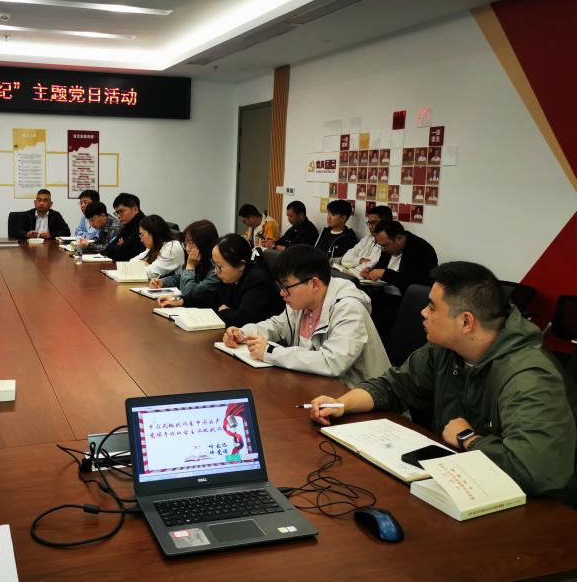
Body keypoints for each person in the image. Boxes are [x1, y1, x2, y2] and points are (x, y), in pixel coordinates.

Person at [308, 262, 576, 507]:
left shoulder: (529, 377)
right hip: (464, 487)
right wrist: (342, 404)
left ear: (466, 322)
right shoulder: (446, 349)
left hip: (538, 514)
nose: (423, 312)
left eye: (433, 307)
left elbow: (534, 471)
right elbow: (395, 385)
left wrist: (468, 439)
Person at [223, 245, 389, 388]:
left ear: (314, 284)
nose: (282, 293)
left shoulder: (349, 308)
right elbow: (277, 326)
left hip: (359, 395)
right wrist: (243, 333)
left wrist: (271, 352)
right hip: (315, 387)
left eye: (286, 287)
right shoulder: (302, 302)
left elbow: (332, 362)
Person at [159, 234, 282, 327]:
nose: (215, 271)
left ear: (241, 265)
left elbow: (245, 319)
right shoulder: (232, 277)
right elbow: (213, 299)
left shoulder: (257, 282)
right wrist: (182, 301)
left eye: (219, 266)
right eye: (214, 264)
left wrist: (226, 313)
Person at [150, 219, 222, 301]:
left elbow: (188, 293)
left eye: (190, 243)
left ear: (204, 244)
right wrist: (162, 282)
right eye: (185, 243)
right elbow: (181, 278)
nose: (187, 248)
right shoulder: (200, 263)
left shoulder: (216, 269)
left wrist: (190, 266)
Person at [340, 205, 393, 273]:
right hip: (353, 275)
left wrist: (353, 264)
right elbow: (345, 260)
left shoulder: (390, 244)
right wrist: (361, 260)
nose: (370, 227)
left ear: (386, 222)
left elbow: (371, 266)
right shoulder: (367, 239)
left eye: (374, 223)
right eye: (369, 223)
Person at [131, 215, 185, 279]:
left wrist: (145, 265)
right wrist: (144, 264)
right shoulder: (154, 247)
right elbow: (131, 262)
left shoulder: (172, 247)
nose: (141, 240)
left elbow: (152, 273)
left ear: (153, 233)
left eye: (142, 235)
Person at [106, 192, 146, 261]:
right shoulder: (128, 224)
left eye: (121, 211)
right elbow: (108, 249)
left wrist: (120, 248)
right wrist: (120, 248)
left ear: (135, 209)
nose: (119, 216)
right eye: (117, 213)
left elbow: (120, 256)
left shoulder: (143, 226)